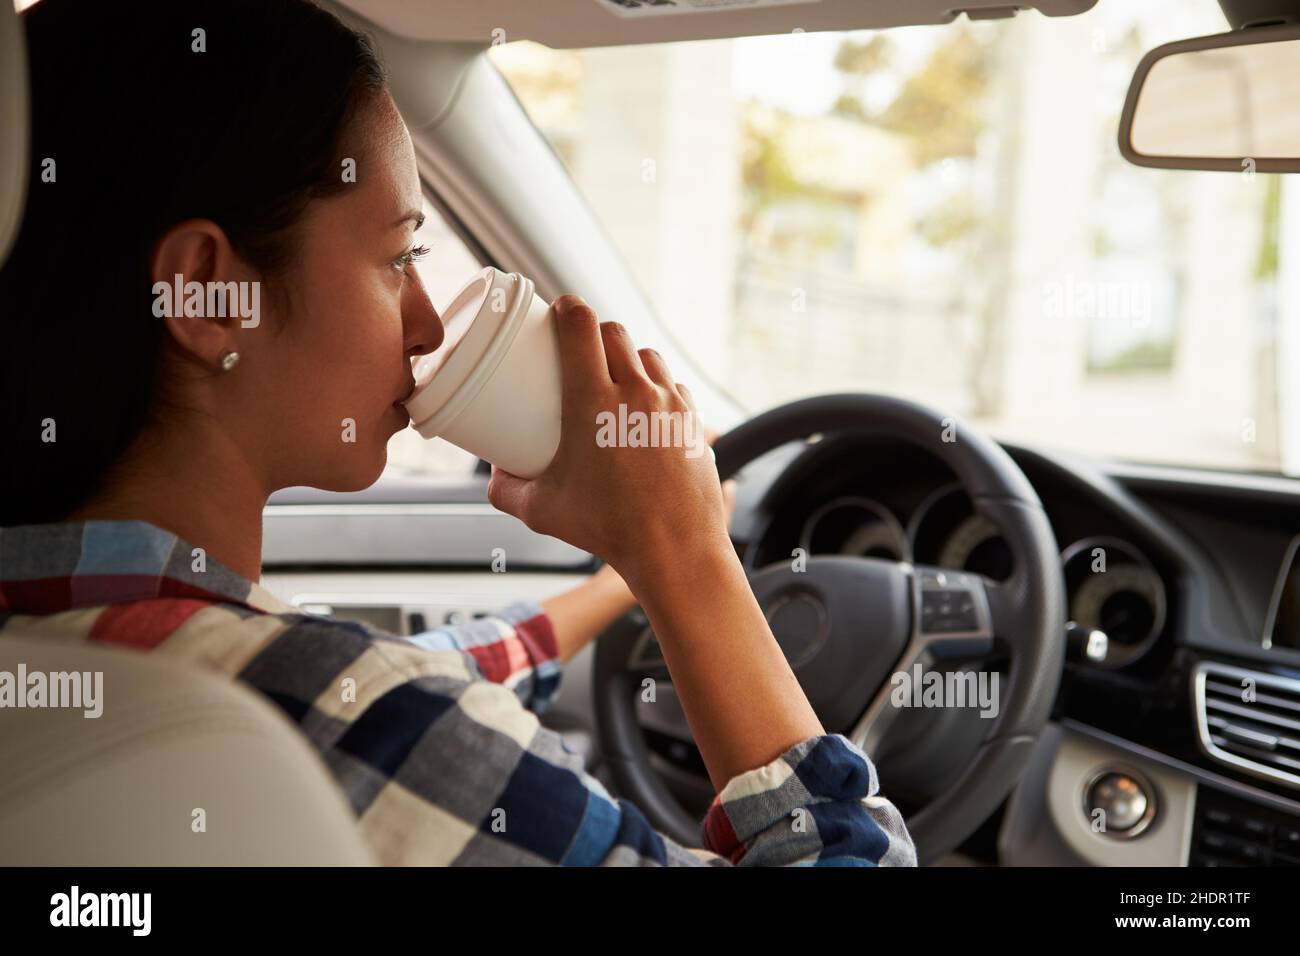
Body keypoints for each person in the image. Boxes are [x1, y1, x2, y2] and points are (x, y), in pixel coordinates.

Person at [0, 0, 916, 866]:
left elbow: (394, 680)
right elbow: (383, 706)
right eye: (398, 257)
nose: (429, 324)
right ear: (203, 292)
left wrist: (613, 586)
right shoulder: (359, 722)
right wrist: (684, 557)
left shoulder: (71, 642)